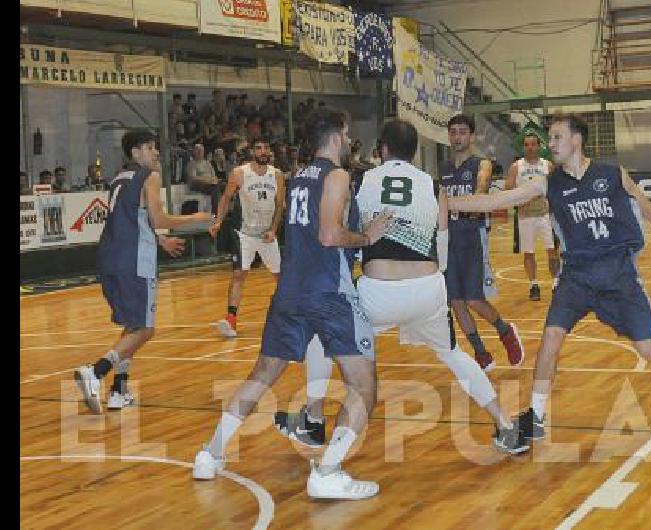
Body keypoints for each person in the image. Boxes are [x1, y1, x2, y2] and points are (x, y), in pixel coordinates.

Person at [274, 119, 530, 454]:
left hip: (378, 291)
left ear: (382, 150)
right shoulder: (431, 184)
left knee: (321, 338)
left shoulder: (360, 180)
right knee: (454, 355)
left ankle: (314, 418)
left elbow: (343, 233)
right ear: (413, 152)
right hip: (428, 288)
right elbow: (441, 244)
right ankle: (506, 426)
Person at [446, 112, 651, 442]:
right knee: (550, 337)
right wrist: (444, 201)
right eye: (549, 138)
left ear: (575, 140)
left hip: (618, 277)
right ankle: (535, 416)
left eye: (555, 138)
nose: (549, 144)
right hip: (576, 277)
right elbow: (498, 199)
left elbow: (650, 211)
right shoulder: (548, 181)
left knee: (650, 350)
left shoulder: (613, 175)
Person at [192, 108, 392, 501]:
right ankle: (329, 471)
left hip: (291, 290)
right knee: (364, 386)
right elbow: (331, 235)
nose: (350, 143)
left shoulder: (299, 175)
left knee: (262, 374)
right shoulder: (335, 175)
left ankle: (210, 453)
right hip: (328, 292)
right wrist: (367, 236)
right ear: (335, 138)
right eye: (348, 135)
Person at [73, 129, 211, 413]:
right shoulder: (149, 176)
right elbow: (159, 217)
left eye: (155, 147)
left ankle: (118, 391)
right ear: (135, 152)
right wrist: (193, 218)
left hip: (109, 257)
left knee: (132, 326)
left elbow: (132, 220)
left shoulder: (118, 180)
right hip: (134, 261)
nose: (155, 152)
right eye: (149, 147)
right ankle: (96, 371)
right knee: (146, 330)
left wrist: (160, 239)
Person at [440, 114, 524, 372]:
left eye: (462, 132)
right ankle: (480, 353)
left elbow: (481, 191)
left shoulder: (482, 164)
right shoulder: (443, 169)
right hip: (448, 239)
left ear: (472, 136)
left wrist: (468, 203)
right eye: (453, 132)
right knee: (455, 301)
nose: (457, 137)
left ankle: (505, 330)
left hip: (472, 236)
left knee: (474, 299)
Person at [209, 138, 285, 338]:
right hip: (245, 234)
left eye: (266, 147)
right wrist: (218, 221)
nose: (263, 151)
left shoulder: (276, 175)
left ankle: (289, 314)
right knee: (238, 275)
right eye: (258, 148)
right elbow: (226, 198)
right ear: (252, 151)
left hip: (267, 234)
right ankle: (231, 319)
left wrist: (274, 229)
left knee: (281, 277)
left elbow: (279, 205)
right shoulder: (240, 173)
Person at [505, 133, 560, 301]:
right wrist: (518, 200)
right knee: (529, 252)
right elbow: (508, 188)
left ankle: (556, 282)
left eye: (533, 144)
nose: (530, 147)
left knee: (552, 250)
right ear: (523, 147)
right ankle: (533, 284)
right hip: (525, 217)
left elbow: (557, 189)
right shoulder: (516, 167)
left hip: (545, 216)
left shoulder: (547, 166)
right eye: (527, 144)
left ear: (539, 146)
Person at [186, 143, 221, 213]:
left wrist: (213, 180)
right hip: (197, 185)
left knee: (223, 186)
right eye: (198, 150)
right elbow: (194, 178)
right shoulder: (192, 164)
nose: (199, 152)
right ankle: (215, 213)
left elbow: (214, 176)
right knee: (215, 188)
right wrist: (207, 180)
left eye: (201, 151)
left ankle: (225, 211)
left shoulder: (208, 163)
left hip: (209, 184)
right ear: (194, 152)